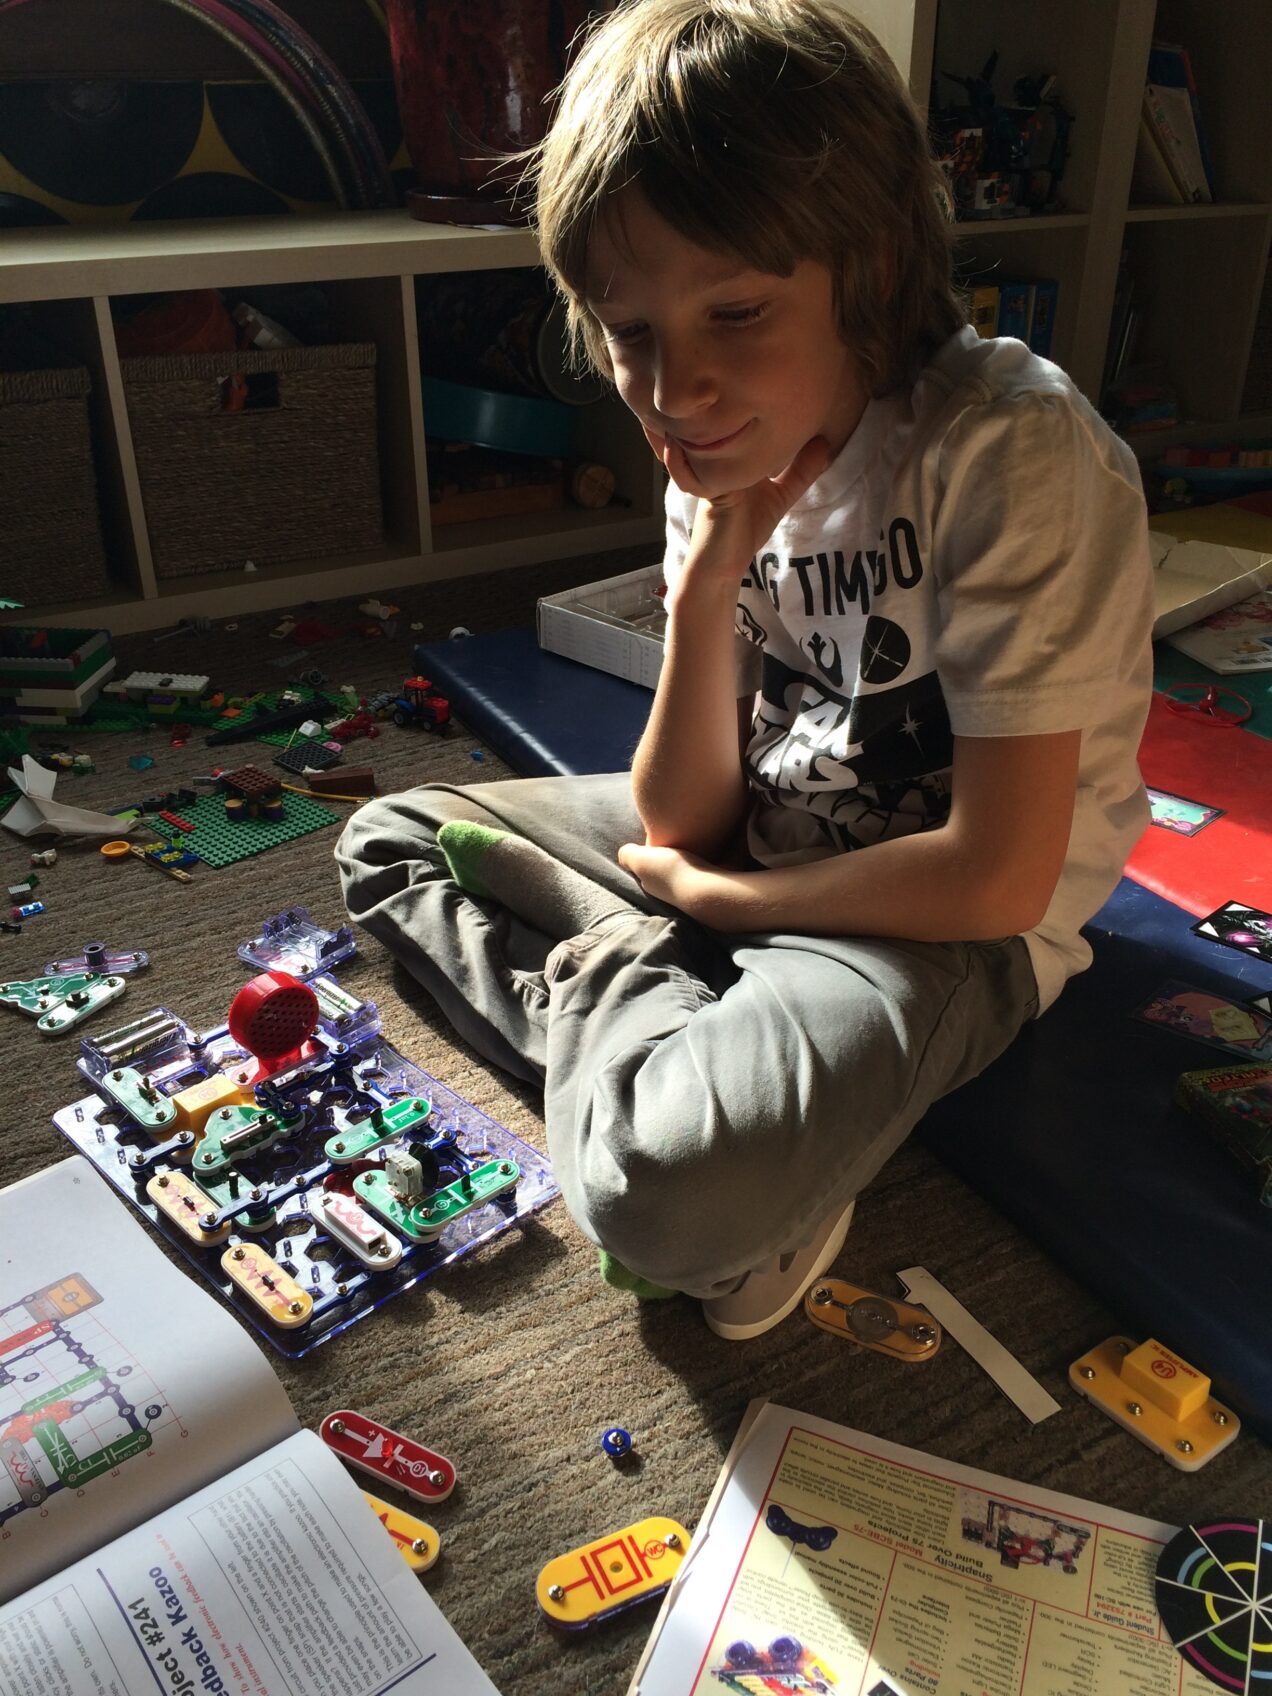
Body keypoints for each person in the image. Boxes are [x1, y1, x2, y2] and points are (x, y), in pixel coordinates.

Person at [336, 0, 1154, 1339]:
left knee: (660, 1201)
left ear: (867, 265)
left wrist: (727, 904)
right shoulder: (719, 454)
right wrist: (710, 574)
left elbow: (996, 877)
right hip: (760, 850)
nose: (675, 390)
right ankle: (660, 1014)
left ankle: (647, 1018)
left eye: (735, 311)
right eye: (630, 330)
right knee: (392, 841)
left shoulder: (1005, 447)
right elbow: (680, 818)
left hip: (946, 928)